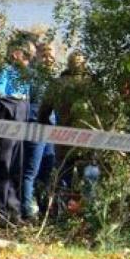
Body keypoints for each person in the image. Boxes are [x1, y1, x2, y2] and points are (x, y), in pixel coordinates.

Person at [0, 32, 35, 226]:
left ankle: (14, 212)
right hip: (4, 127)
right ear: (15, 53)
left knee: (16, 170)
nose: (29, 61)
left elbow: (26, 102)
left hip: (20, 127)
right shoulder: (1, 70)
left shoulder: (24, 73)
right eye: (26, 56)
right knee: (1, 168)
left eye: (30, 58)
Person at [37, 50, 101, 216]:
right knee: (89, 178)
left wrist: (48, 125)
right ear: (85, 64)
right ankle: (88, 216)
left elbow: (43, 111)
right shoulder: (93, 85)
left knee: (63, 177)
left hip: (63, 138)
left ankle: (61, 215)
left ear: (68, 64)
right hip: (89, 140)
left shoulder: (57, 84)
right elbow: (105, 111)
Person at [21, 40, 57, 220]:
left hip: (51, 127)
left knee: (47, 170)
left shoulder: (53, 78)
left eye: (52, 55)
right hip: (35, 125)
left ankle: (44, 209)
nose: (49, 58)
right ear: (37, 55)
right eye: (45, 54)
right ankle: (26, 209)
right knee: (31, 170)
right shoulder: (30, 75)